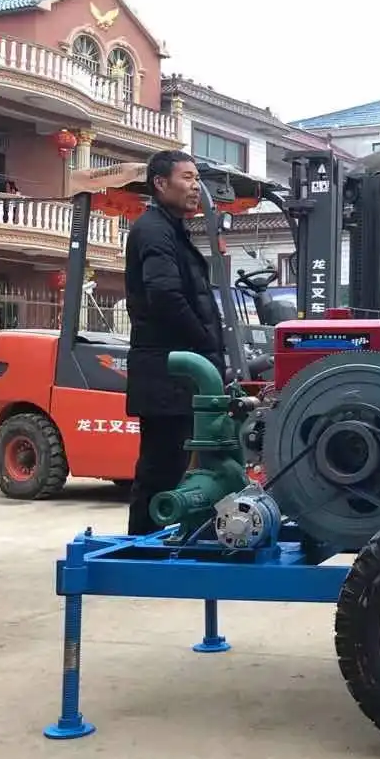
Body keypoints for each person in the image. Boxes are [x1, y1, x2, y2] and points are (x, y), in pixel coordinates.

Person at [124, 150, 226, 535]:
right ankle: (141, 550)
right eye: (187, 178)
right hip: (167, 371)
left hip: (179, 371)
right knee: (160, 468)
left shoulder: (173, 230)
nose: (195, 186)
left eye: (197, 178)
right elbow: (165, 297)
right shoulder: (153, 230)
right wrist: (202, 348)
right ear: (161, 184)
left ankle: (157, 542)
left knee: (173, 467)